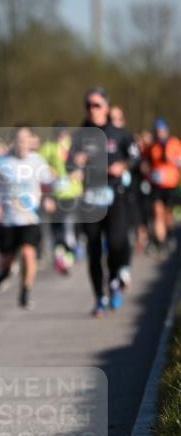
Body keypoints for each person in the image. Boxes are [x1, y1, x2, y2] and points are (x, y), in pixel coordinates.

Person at [67, 87, 140, 317]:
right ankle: (100, 296)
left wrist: (123, 165)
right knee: (94, 249)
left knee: (117, 243)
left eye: (97, 105)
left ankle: (116, 281)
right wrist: (76, 164)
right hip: (90, 198)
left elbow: (135, 156)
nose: (92, 109)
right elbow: (69, 165)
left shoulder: (119, 134)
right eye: (88, 105)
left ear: (106, 107)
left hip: (114, 196)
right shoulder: (80, 135)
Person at [0, 125, 54, 309]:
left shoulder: (37, 161)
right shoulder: (2, 161)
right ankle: (4, 272)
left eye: (25, 139)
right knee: (7, 259)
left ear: (31, 141)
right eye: (18, 140)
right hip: (8, 218)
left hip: (29, 218)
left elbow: (49, 183)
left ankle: (25, 291)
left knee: (27, 253)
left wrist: (48, 199)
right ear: (13, 142)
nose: (22, 143)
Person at [38, 123, 83, 275]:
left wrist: (80, 171)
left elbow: (85, 163)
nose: (60, 135)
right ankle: (61, 256)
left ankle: (69, 255)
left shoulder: (73, 145)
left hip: (72, 193)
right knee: (56, 229)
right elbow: (37, 165)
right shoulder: (48, 147)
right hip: (55, 194)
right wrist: (48, 171)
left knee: (68, 226)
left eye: (62, 133)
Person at [144, 118, 181, 253]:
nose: (160, 133)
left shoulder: (175, 143)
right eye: (158, 131)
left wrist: (172, 159)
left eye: (162, 131)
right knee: (157, 213)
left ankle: (170, 235)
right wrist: (148, 174)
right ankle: (161, 242)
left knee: (167, 214)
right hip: (157, 185)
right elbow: (147, 163)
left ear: (166, 131)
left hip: (171, 185)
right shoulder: (152, 147)